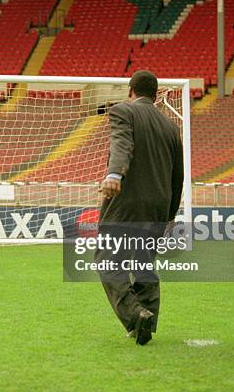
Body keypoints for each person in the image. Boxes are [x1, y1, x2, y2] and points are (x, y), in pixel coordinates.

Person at [96, 70, 183, 346]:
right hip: (158, 207)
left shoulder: (124, 111)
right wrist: (169, 215)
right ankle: (146, 321)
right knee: (143, 263)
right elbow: (177, 176)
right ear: (156, 95)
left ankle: (136, 315)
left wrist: (115, 174)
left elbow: (123, 143)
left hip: (127, 204)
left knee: (107, 260)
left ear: (130, 91)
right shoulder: (170, 127)